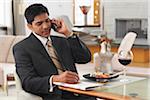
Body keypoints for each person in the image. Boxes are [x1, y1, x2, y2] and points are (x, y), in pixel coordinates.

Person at [13, 3, 96, 100]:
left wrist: (68, 33)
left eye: (47, 21)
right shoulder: (22, 48)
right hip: (53, 96)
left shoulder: (62, 41)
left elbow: (85, 58)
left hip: (78, 93)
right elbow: (28, 82)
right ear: (30, 26)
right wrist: (55, 79)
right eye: (39, 23)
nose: (45, 26)